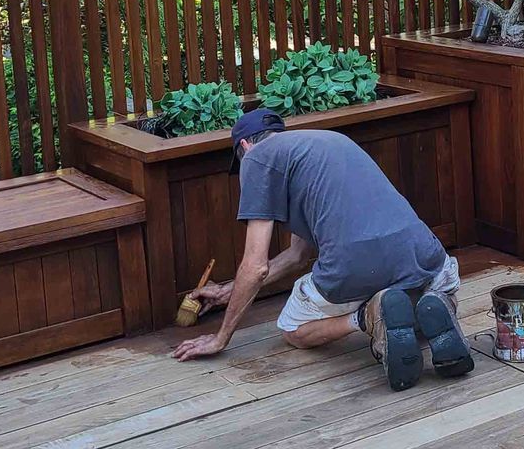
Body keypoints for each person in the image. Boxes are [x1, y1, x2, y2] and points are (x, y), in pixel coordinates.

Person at [170, 107, 474, 389]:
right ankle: (437, 301)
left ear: (244, 146)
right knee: (418, 301)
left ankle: (366, 315)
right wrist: (227, 292)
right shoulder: (321, 144)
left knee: (293, 327)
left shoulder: (256, 158)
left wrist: (221, 338)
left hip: (357, 265)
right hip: (425, 252)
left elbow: (256, 264)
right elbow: (296, 256)